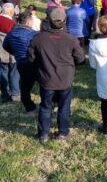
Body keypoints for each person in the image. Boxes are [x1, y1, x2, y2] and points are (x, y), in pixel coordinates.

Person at [28, 8, 85, 144]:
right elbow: (80, 58)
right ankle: (63, 133)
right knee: (64, 107)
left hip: (47, 79)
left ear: (49, 21)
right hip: (65, 79)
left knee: (45, 106)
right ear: (64, 21)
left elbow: (31, 58)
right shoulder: (71, 39)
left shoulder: (38, 39)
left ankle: (43, 135)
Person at [3, 12, 39, 113]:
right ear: (28, 22)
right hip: (34, 63)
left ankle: (29, 107)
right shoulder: (34, 34)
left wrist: (15, 53)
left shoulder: (11, 33)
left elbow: (5, 45)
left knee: (25, 86)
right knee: (44, 83)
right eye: (32, 21)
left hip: (21, 63)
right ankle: (48, 103)